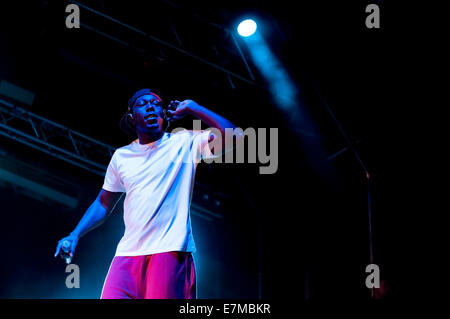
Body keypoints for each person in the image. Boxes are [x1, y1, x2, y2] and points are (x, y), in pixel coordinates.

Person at [54, 88, 241, 299]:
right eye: (142, 104)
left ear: (163, 114)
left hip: (169, 251)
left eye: (156, 103)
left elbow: (236, 136)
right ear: (132, 118)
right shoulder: (121, 156)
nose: (150, 106)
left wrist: (193, 108)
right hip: (126, 256)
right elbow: (103, 203)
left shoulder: (185, 142)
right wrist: (74, 234)